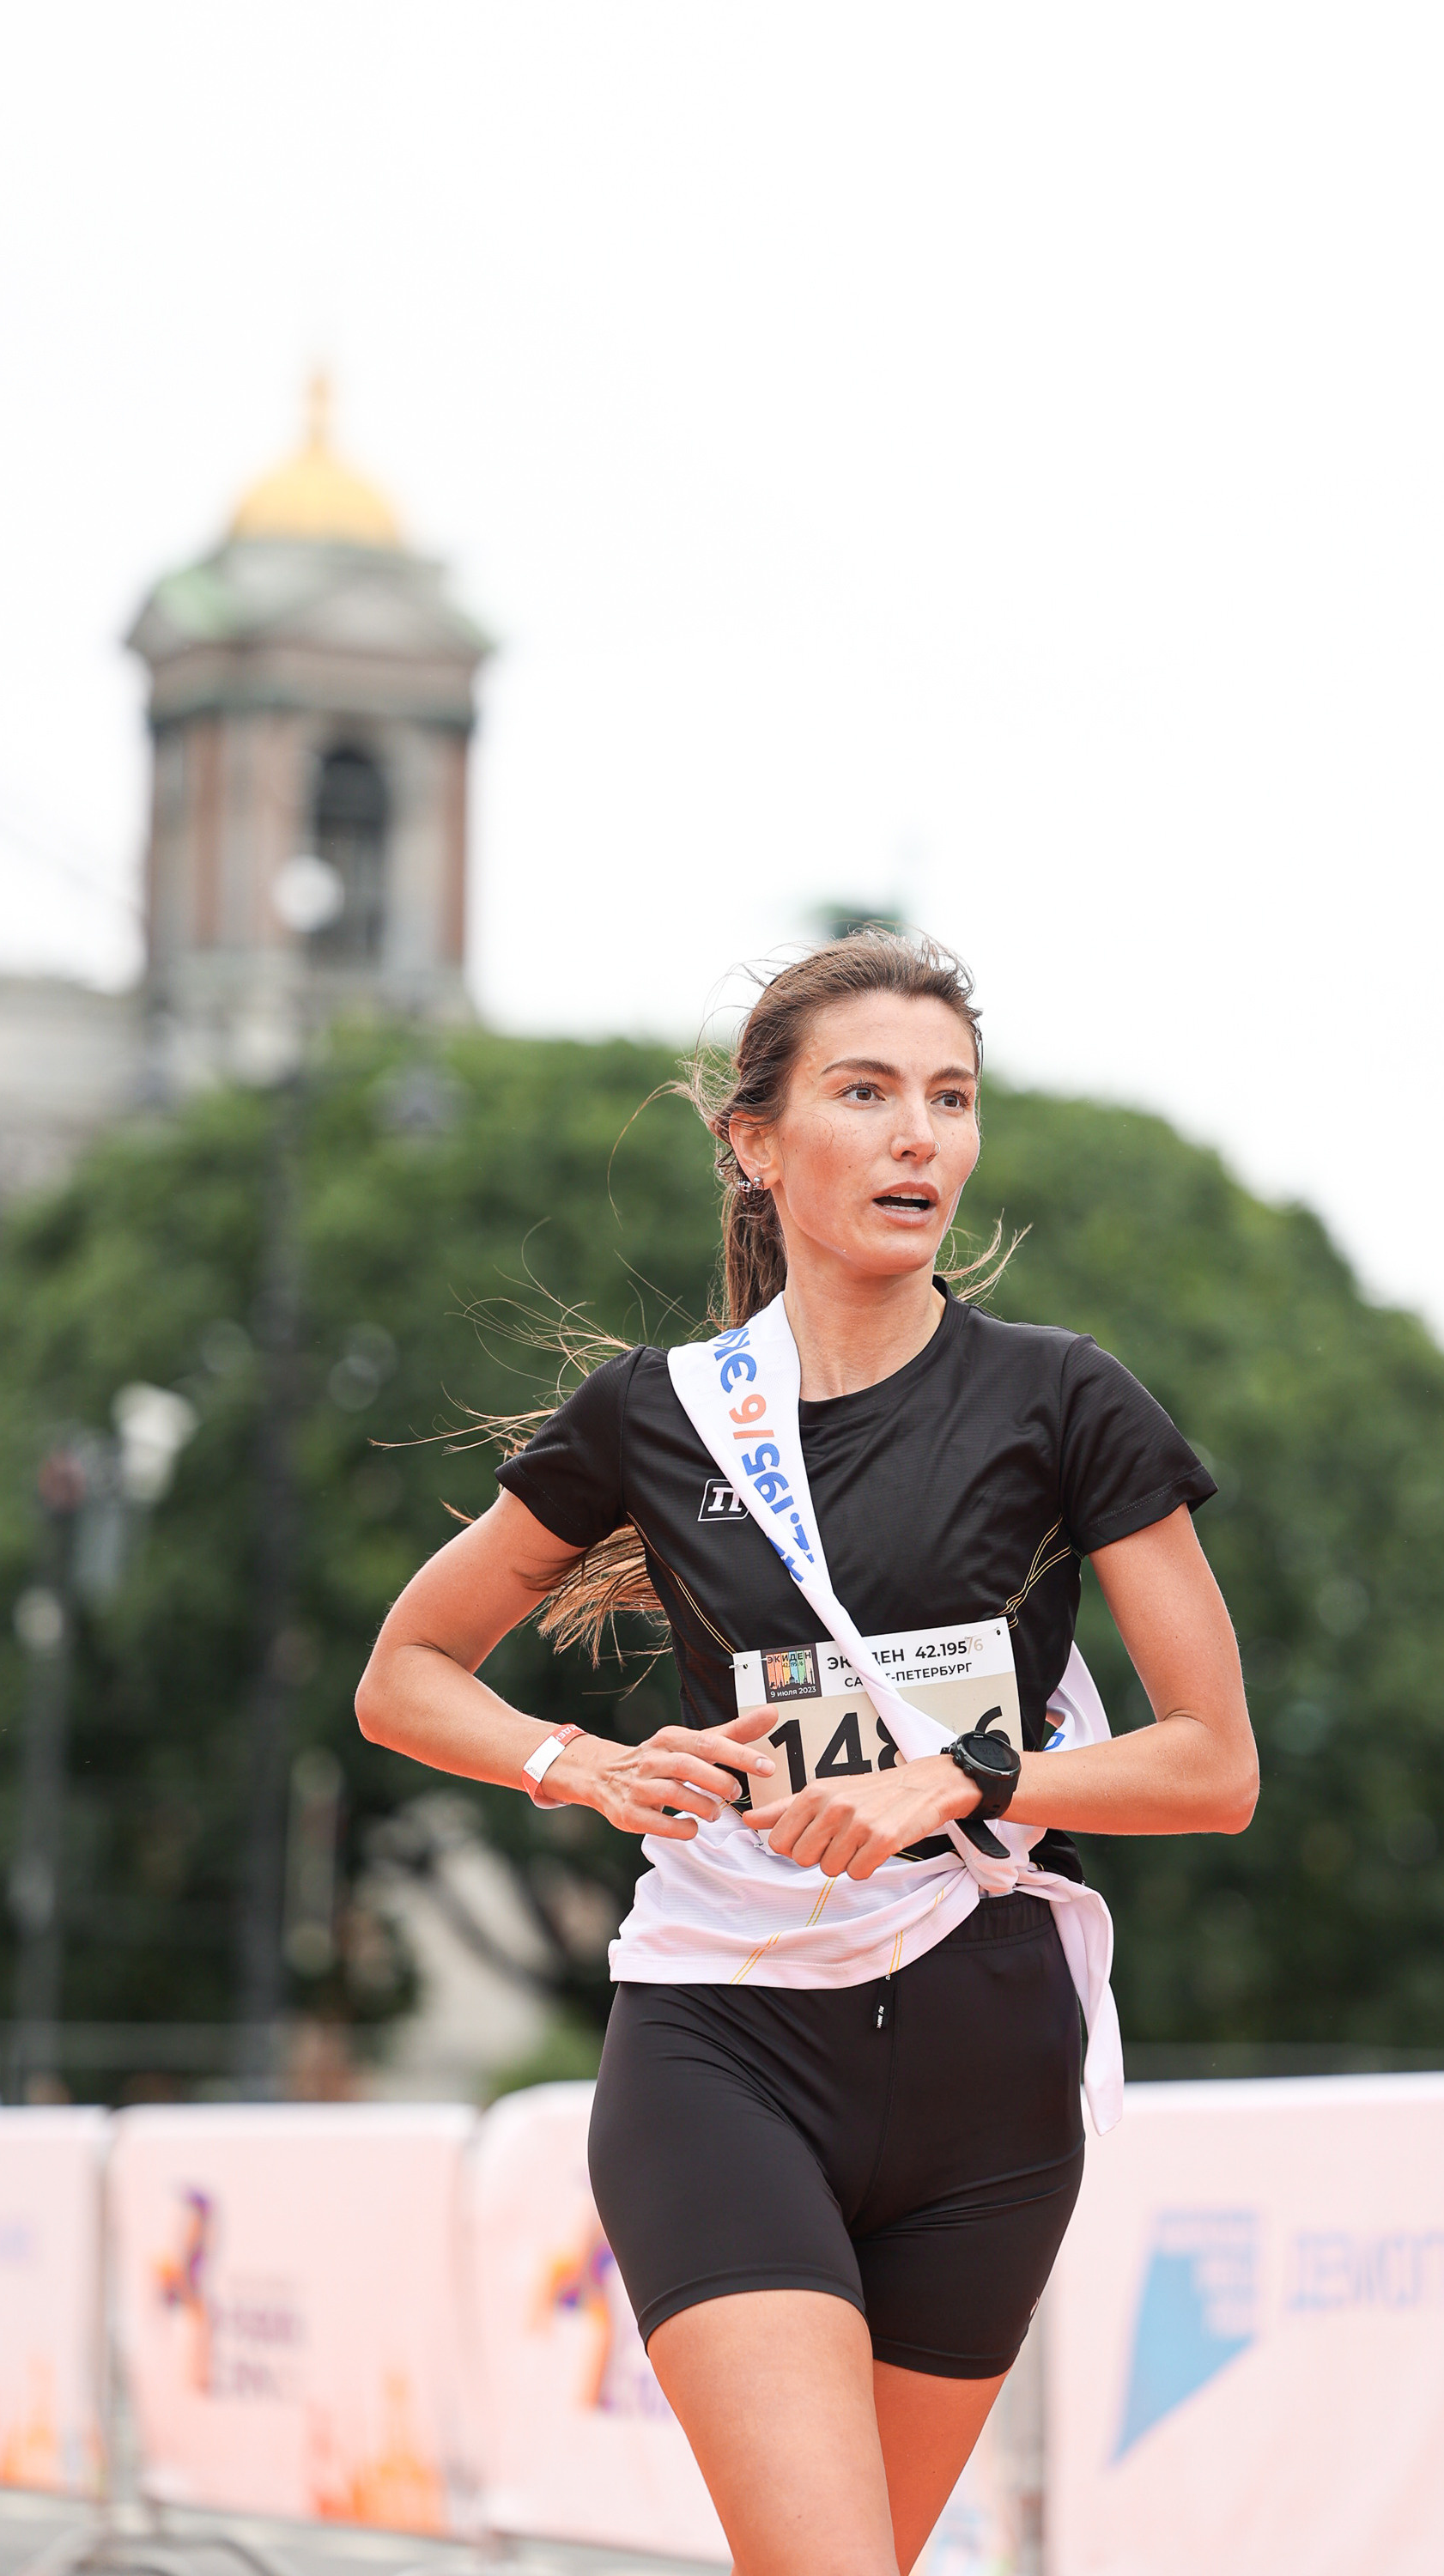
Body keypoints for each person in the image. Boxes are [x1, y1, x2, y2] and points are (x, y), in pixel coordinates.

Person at [357, 930, 1258, 2576]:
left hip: (990, 2054)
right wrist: (580, 1764)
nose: (922, 1136)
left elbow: (1213, 1767)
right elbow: (406, 1672)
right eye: (868, 1093)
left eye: (952, 1098)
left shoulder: (1069, 1403)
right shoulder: (661, 1412)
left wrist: (967, 1778)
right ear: (756, 1144)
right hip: (728, 2037)